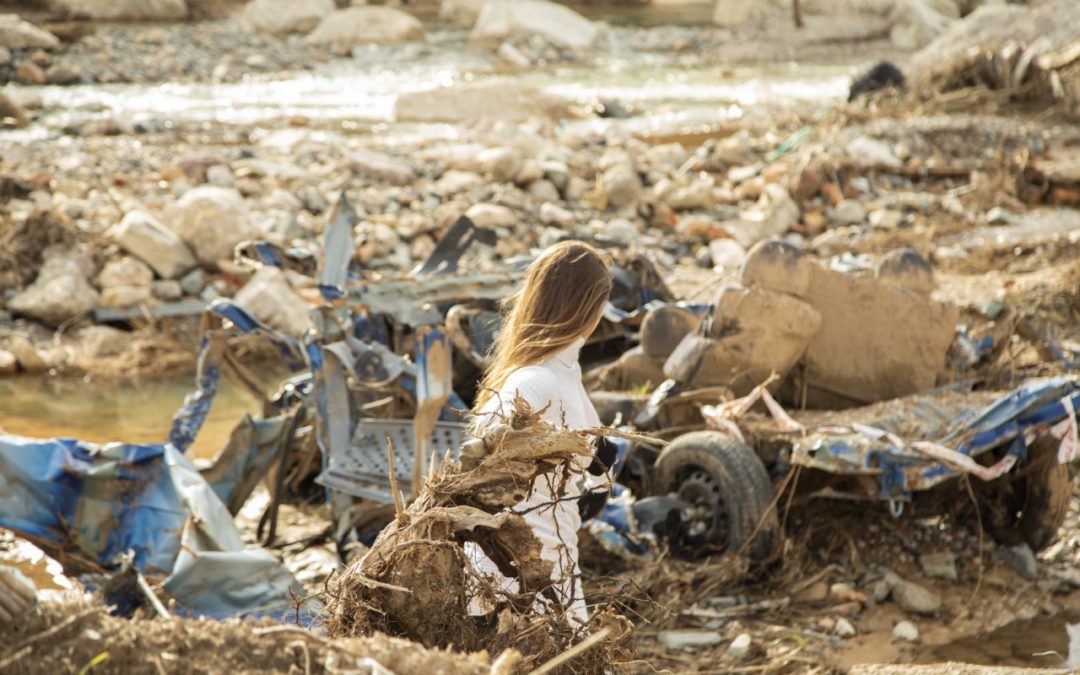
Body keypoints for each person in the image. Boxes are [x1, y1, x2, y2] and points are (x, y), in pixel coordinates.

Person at [467, 240, 613, 627]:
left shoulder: (565, 375)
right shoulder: (532, 383)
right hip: (515, 583)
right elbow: (483, 484)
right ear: (589, 306)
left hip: (555, 567)